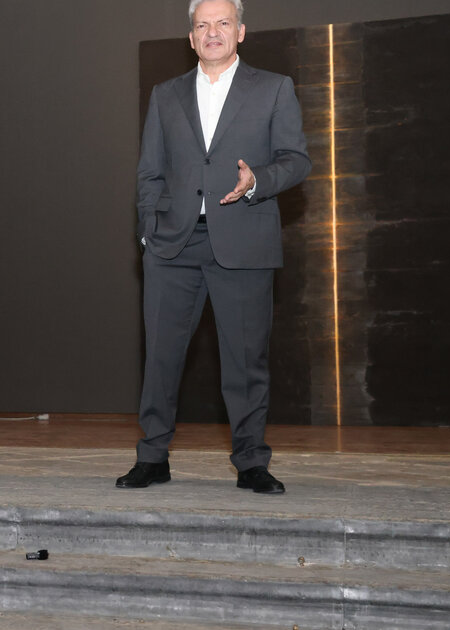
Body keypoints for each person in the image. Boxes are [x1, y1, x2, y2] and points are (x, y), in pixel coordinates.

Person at [118, 0, 311, 494]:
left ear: (240, 31)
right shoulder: (166, 95)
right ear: (191, 38)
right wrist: (149, 231)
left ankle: (251, 463)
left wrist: (257, 180)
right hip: (172, 245)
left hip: (243, 241)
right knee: (161, 358)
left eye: (223, 23)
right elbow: (149, 171)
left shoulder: (273, 88)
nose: (212, 32)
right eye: (202, 25)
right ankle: (152, 457)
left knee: (246, 361)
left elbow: (296, 160)